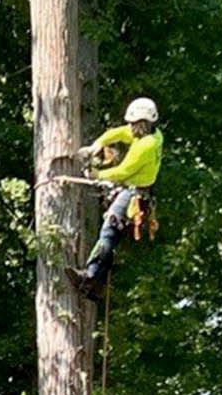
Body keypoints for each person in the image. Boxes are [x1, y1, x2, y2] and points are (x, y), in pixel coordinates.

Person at [69, 96, 164, 300]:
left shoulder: (145, 146)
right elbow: (119, 133)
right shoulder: (154, 135)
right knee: (111, 236)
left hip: (134, 193)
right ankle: (97, 286)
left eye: (133, 124)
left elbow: (123, 172)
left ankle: (90, 276)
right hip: (136, 190)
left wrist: (96, 175)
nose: (130, 128)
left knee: (108, 231)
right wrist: (97, 145)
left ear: (142, 124)